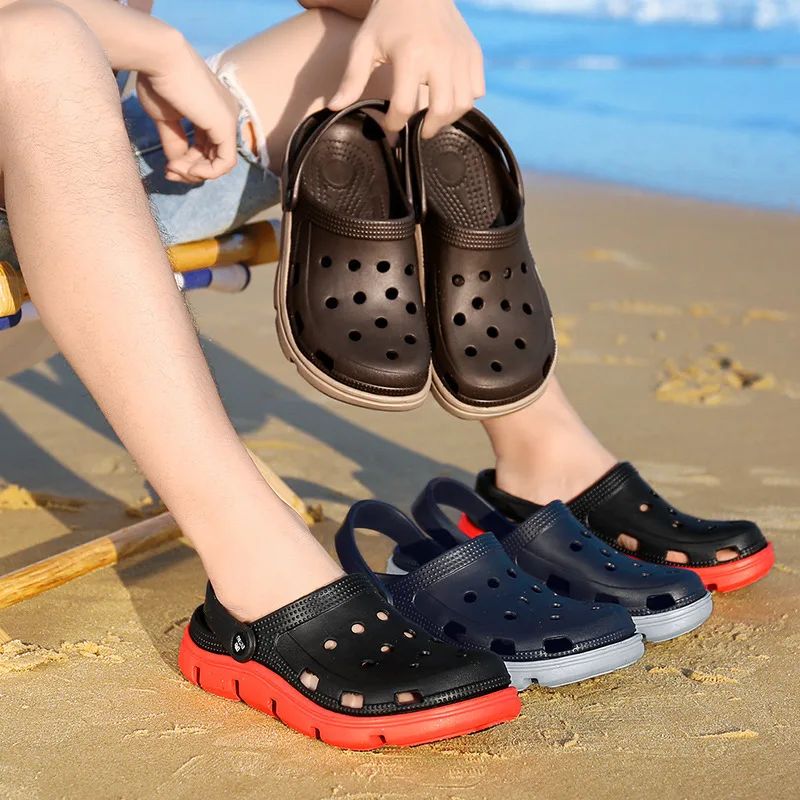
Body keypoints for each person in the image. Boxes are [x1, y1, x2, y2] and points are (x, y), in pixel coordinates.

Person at [0, 0, 753, 633]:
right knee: (43, 44)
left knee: (369, 58)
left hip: (68, 158)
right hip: (44, 135)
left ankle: (542, 453)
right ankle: (253, 556)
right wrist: (152, 45)